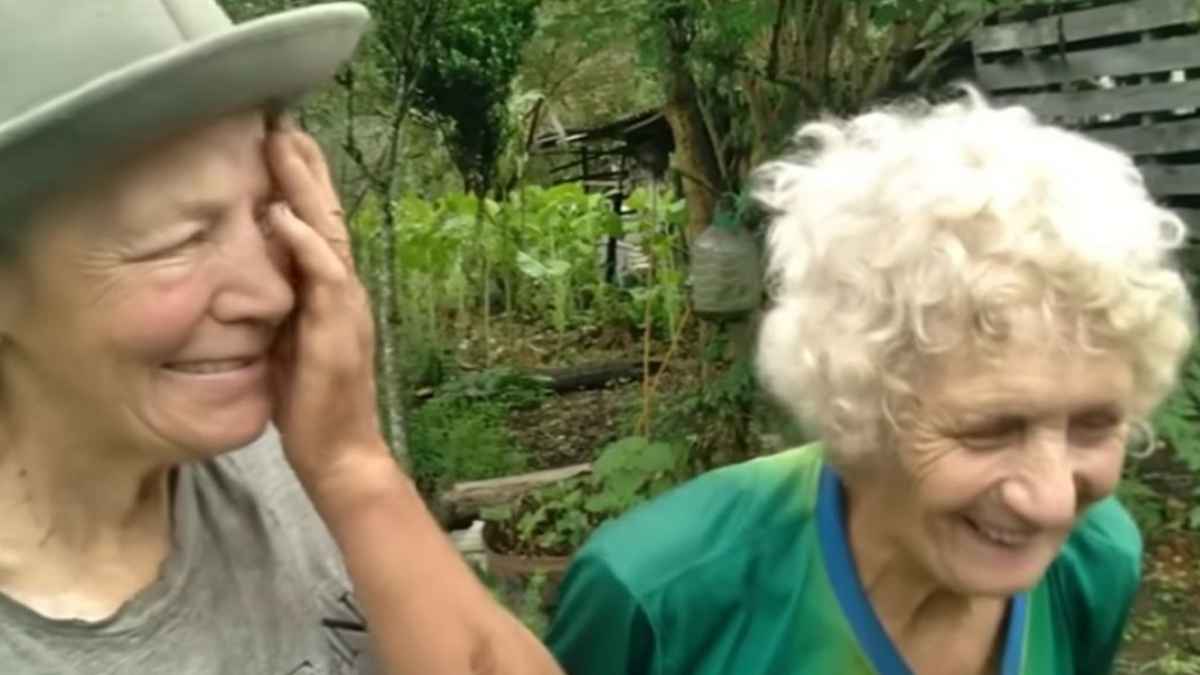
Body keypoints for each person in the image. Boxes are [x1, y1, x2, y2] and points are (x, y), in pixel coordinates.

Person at [546, 88, 1196, 675]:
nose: (1053, 502)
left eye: (1094, 424)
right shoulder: (660, 598)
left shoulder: (1094, 560)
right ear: (856, 409)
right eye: (989, 431)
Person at [0, 2, 563, 673]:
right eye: (179, 240)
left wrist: (355, 466)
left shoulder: (277, 455)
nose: (271, 294)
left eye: (270, 214)